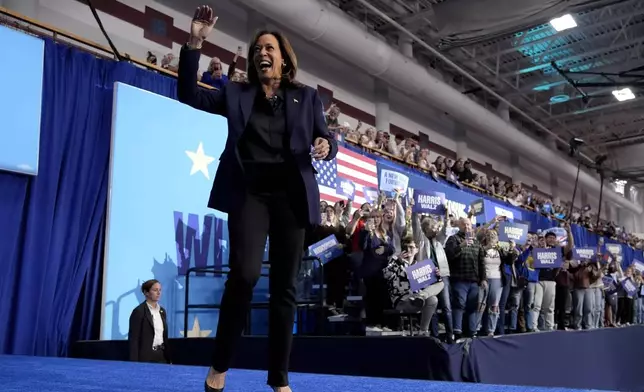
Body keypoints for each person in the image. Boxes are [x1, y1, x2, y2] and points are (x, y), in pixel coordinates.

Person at [176, 6, 337, 392]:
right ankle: (219, 366)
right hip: (249, 194)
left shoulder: (307, 96)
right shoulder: (237, 92)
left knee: (285, 289)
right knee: (244, 276)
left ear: (283, 57)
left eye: (269, 47)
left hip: (291, 199)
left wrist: (324, 144)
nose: (262, 52)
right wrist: (196, 41)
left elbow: (328, 140)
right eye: (257, 49)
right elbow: (189, 94)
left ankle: (279, 379)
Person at [128, 280, 171, 364]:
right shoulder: (139, 311)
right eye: (155, 290)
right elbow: (134, 339)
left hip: (162, 355)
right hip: (147, 357)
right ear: (146, 292)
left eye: (160, 290)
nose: (158, 293)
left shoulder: (162, 311)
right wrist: (133, 363)